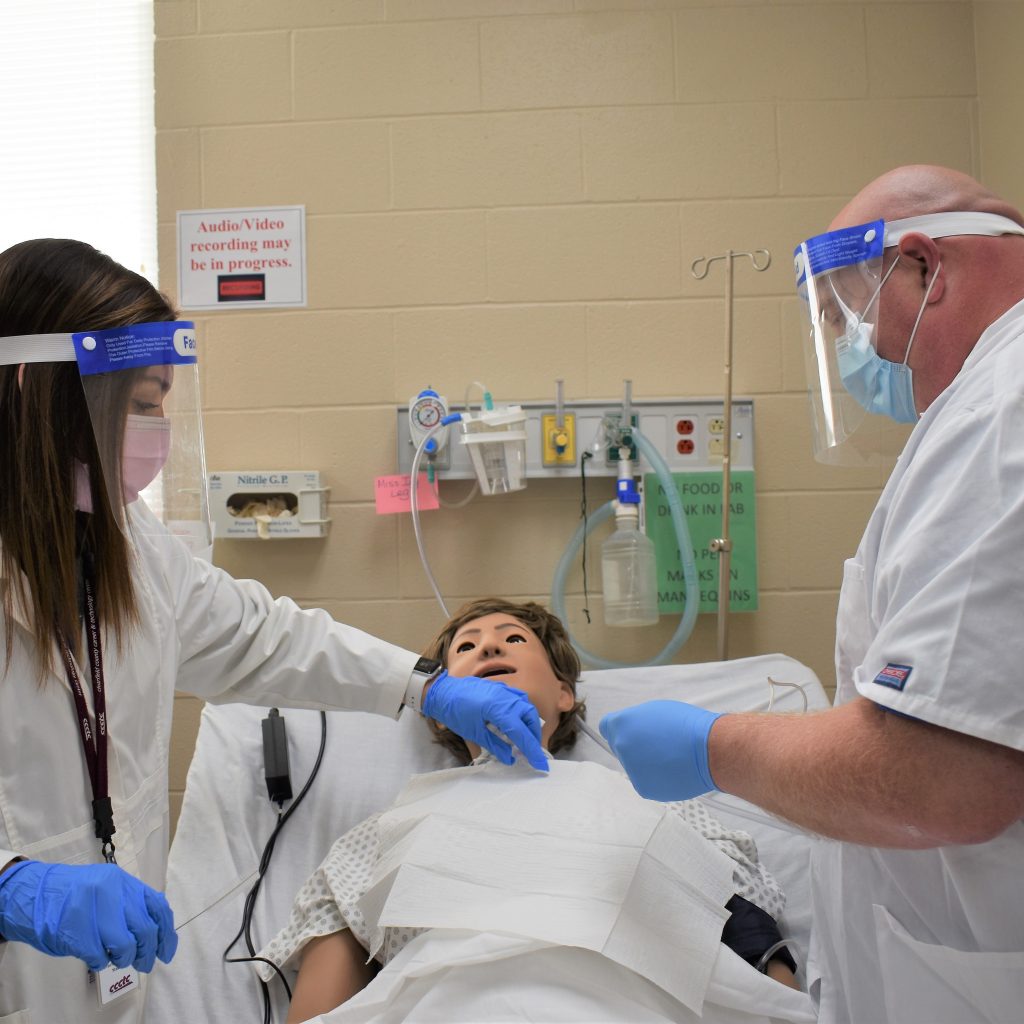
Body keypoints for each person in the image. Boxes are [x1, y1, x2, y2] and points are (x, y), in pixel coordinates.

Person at [0, 239, 546, 1024]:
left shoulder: (130, 547)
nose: (156, 429)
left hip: (105, 991)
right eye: (142, 403)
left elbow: (267, 639)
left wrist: (426, 685)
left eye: (163, 404)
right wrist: (12, 886)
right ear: (36, 387)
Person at [599, 165, 1024, 1024]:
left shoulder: (1000, 415)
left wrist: (714, 748)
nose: (848, 351)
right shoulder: (984, 406)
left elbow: (943, 777)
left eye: (846, 317)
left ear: (924, 268)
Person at [256, 599, 807, 1024]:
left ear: (564, 693)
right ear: (440, 709)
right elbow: (323, 996)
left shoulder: (647, 800)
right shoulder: (387, 828)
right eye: (466, 648)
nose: (489, 648)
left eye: (513, 638)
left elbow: (746, 921)